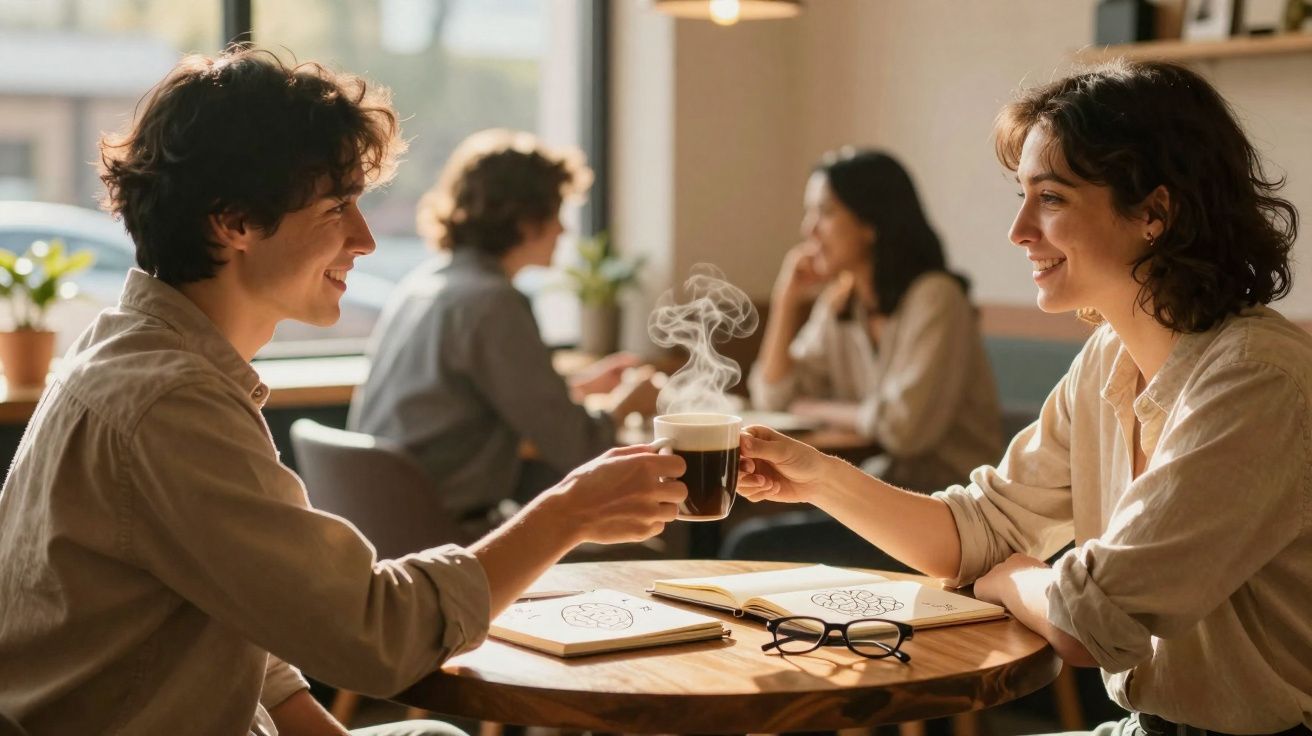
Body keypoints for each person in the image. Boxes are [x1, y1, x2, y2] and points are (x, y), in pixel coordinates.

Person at [0, 49, 685, 736]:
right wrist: (568, 513)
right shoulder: (171, 403)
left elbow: (238, 618)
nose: (365, 240)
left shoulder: (130, 356)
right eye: (337, 207)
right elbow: (375, 634)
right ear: (233, 222)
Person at [738, 59, 1311, 735]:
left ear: (1154, 213)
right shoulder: (1107, 361)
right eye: (1023, 196)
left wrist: (1014, 578)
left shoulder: (1255, 380)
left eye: (1053, 198)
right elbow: (980, 531)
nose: (1019, 230)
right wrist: (817, 477)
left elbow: (1086, 622)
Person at [348, 129, 653, 527]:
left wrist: (578, 387)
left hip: (390, 523)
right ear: (526, 220)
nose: (563, 231)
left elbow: (471, 399)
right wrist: (628, 404)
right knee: (647, 537)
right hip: (448, 534)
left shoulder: (425, 285)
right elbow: (578, 447)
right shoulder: (494, 303)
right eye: (556, 214)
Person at [749, 148, 1002, 493]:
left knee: (761, 522)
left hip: (955, 499)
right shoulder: (841, 302)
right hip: (879, 489)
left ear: (870, 224)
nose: (808, 229)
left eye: (825, 212)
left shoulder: (937, 298)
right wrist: (786, 301)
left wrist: (814, 408)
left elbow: (904, 431)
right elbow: (773, 399)